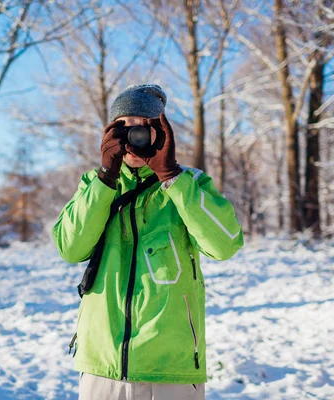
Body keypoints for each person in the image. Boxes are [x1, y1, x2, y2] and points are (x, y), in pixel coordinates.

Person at [52, 84, 244, 400]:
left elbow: (226, 244)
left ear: (161, 132)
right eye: (122, 128)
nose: (132, 137)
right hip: (104, 365)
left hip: (172, 368)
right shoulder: (94, 184)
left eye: (143, 127)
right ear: (108, 134)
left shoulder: (191, 184)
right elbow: (69, 248)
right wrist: (105, 179)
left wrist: (171, 177)